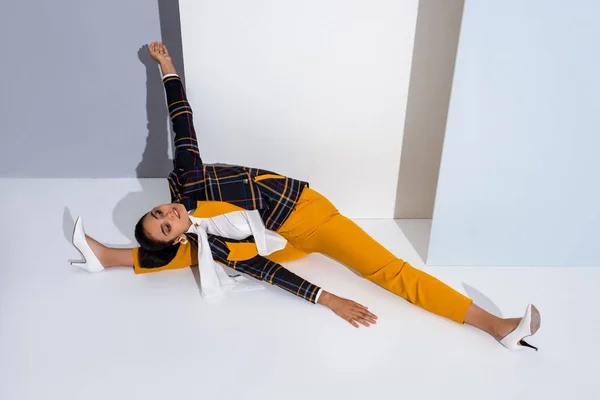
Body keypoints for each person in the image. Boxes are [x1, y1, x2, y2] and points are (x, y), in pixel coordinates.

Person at [71, 42, 541, 351]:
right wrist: (331, 300)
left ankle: (110, 258)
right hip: (303, 226)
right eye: (167, 224)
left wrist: (168, 70)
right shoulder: (206, 241)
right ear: (170, 234)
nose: (169, 211)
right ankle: (495, 326)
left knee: (205, 252)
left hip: (286, 223)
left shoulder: (187, 181)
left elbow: (180, 123)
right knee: (391, 272)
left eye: (160, 212)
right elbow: (266, 271)